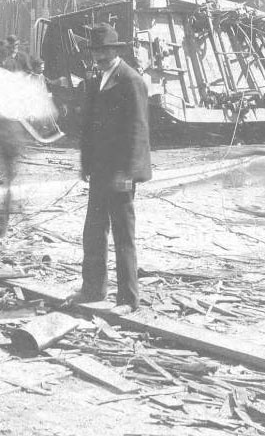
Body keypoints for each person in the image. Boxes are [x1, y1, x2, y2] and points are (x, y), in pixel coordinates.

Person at [66, 23, 151, 314]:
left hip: (120, 173)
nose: (99, 57)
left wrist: (127, 174)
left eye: (104, 51)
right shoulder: (97, 80)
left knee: (123, 235)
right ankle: (92, 289)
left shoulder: (131, 80)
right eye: (95, 51)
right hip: (100, 171)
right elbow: (88, 128)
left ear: (115, 50)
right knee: (93, 231)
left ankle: (128, 299)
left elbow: (138, 132)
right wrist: (86, 165)